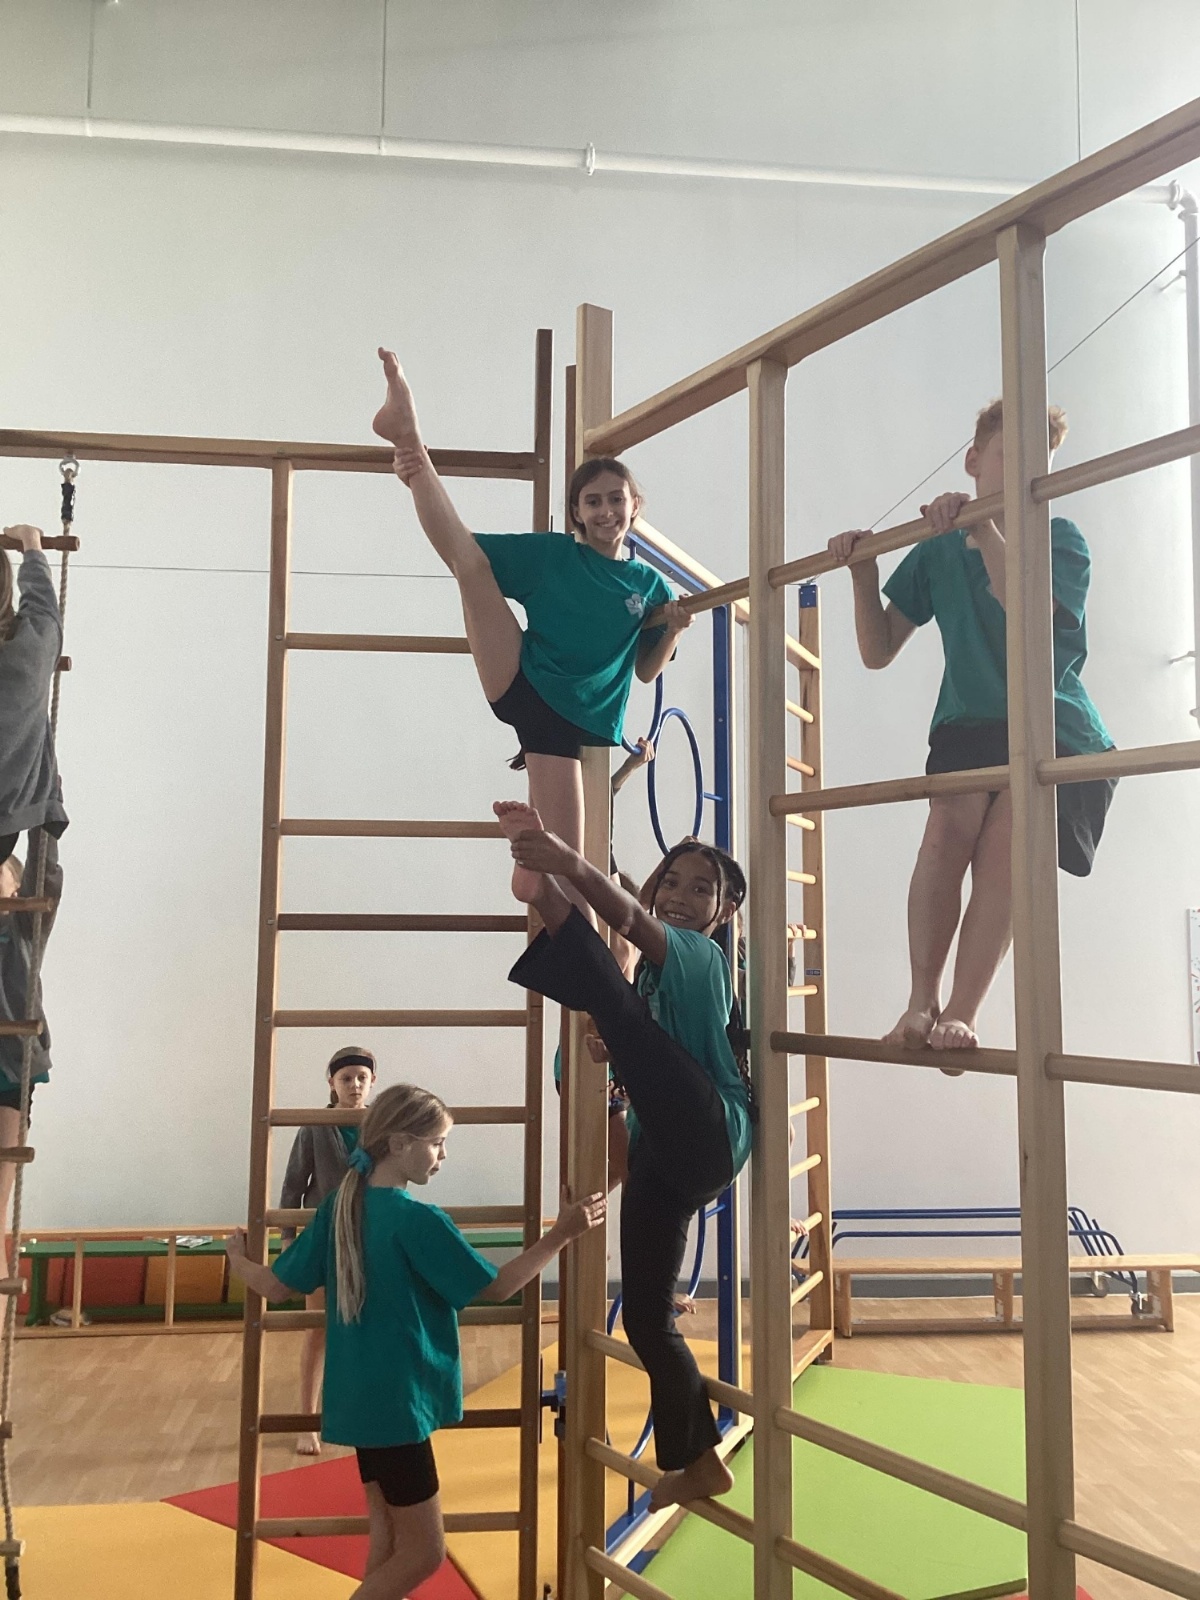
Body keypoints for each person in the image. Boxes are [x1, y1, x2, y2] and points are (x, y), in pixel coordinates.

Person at [226, 1083, 605, 1600]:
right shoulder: (415, 1220)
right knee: (425, 1551)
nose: (443, 1156)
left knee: (387, 1539)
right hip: (399, 1409)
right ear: (400, 1144)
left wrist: (237, 1260)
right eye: (438, 1143)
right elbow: (497, 1287)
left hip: (359, 1400)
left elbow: (276, 1286)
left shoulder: (340, 1207)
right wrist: (562, 1234)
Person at [827, 400, 1114, 1056]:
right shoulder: (938, 547)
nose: (1025, 469)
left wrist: (983, 529)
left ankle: (963, 1009)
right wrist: (863, 572)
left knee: (1006, 849)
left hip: (1051, 720)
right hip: (968, 718)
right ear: (973, 460)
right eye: (1009, 455)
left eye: (1039, 460)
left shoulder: (1060, 538)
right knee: (944, 835)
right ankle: (920, 1000)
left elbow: (1029, 619)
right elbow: (878, 648)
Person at [495, 803, 752, 1511]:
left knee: (613, 999)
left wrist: (568, 867)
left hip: (711, 1129)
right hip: (663, 1155)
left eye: (702, 889)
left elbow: (633, 925)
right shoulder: (651, 981)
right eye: (673, 880)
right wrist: (619, 1057)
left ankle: (546, 894)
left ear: (724, 911)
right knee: (643, 1315)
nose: (681, 895)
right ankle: (698, 1461)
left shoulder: (702, 955)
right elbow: (638, 1017)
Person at [372, 351, 693, 914]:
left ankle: (537, 889)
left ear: (634, 506)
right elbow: (462, 549)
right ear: (576, 512)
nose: (605, 511)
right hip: (526, 681)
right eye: (592, 502)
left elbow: (645, 671)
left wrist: (674, 630)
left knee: (571, 866)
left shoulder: (649, 584)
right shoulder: (554, 557)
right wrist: (416, 477)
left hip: (570, 720)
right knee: (470, 565)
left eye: (615, 500)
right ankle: (410, 443)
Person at [0, 522, 68, 1238]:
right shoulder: (19, 666)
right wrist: (34, 553)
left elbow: (46, 882)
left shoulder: (23, 925)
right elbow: (43, 622)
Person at [279, 1045, 378, 1455]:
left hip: (370, 1234)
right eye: (346, 1078)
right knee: (318, 1329)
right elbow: (293, 1185)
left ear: (372, 1082)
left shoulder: (380, 1124)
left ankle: (366, 1413)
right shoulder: (315, 1127)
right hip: (323, 1238)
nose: (354, 1085)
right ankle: (308, 1421)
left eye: (361, 1078)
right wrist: (288, 1239)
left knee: (368, 1326)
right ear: (331, 1082)